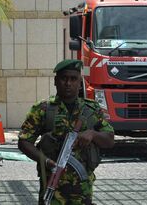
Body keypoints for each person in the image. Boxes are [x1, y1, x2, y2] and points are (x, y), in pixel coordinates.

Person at [18, 59, 115, 205]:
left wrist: (93, 134)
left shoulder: (91, 110)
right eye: (64, 78)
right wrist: (45, 161)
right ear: (56, 81)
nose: (68, 83)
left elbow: (110, 140)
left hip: (82, 190)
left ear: (79, 82)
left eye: (73, 79)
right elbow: (24, 142)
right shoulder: (43, 109)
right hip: (52, 188)